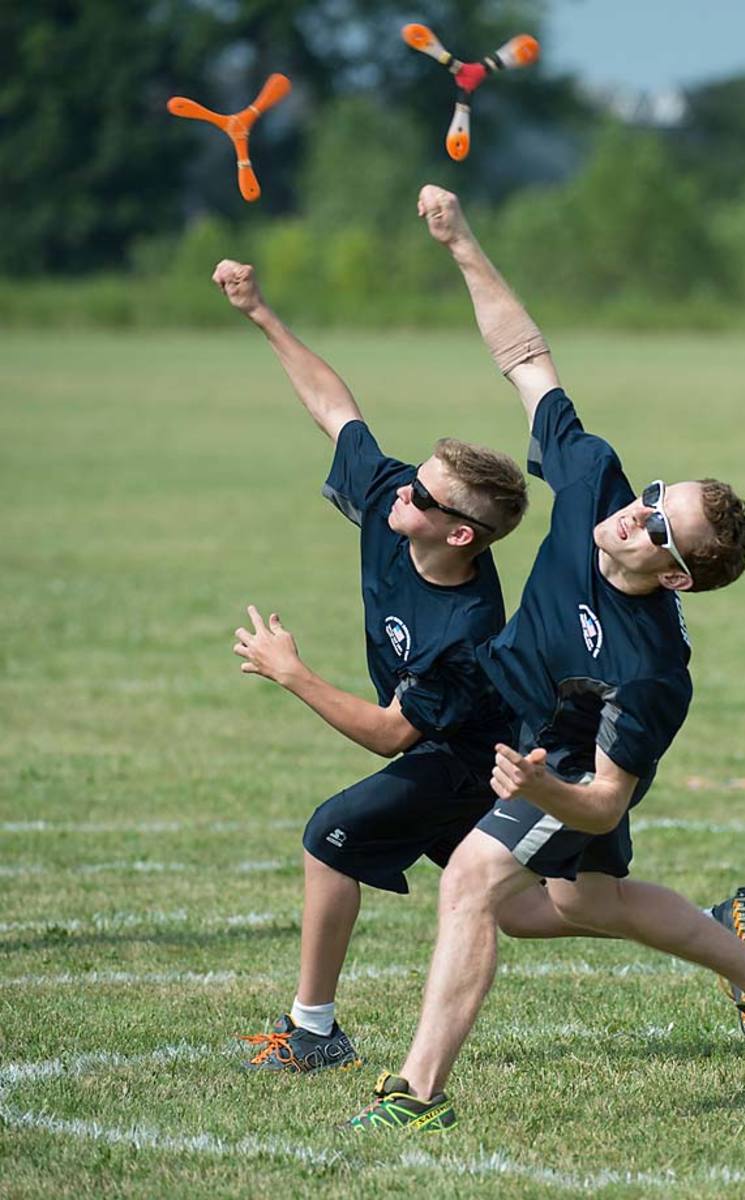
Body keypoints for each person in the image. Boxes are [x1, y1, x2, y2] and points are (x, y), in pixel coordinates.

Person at [344, 187, 745, 1131]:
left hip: (562, 759)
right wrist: (462, 242)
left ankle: (415, 1097)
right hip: (511, 721)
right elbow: (527, 360)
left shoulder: (651, 672)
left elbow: (605, 797)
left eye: (660, 527)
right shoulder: (588, 480)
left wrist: (537, 782)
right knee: (567, 901)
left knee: (473, 884)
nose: (635, 513)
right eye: (654, 495)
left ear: (678, 577)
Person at [213, 257, 531, 1074]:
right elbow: (336, 410)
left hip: (467, 758)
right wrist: (261, 313)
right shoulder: (401, 510)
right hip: (444, 748)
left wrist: (293, 672)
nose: (402, 495)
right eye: (414, 480)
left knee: (331, 836)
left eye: (423, 496)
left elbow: (393, 734)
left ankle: (313, 1032)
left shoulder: (467, 629)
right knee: (530, 907)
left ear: (459, 533)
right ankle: (722, 938)